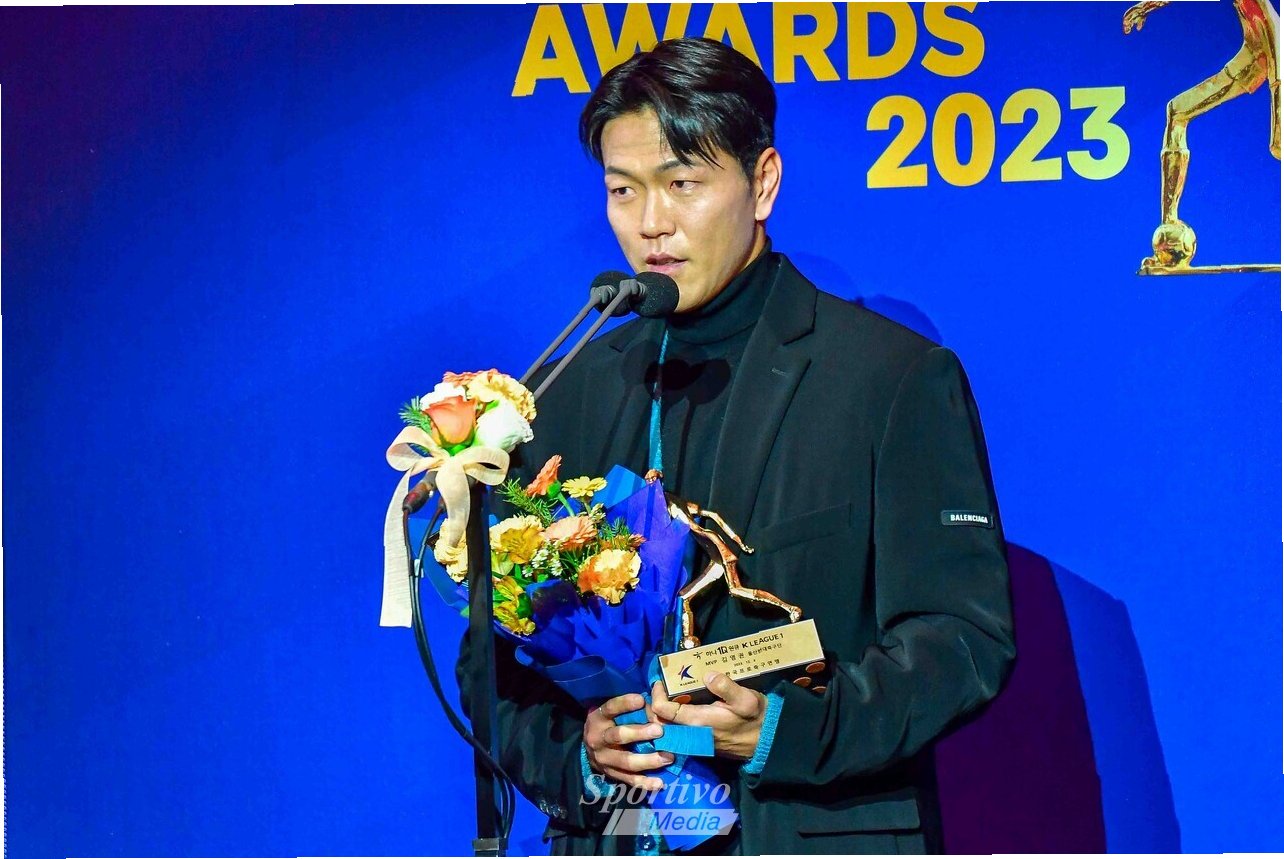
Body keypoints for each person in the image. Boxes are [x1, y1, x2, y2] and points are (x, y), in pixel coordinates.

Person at [458, 36, 1015, 855]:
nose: (651, 223)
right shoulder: (568, 392)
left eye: (682, 183)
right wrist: (579, 757)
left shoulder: (890, 377)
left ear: (763, 182)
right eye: (622, 190)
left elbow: (963, 639)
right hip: (619, 834)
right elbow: (492, 659)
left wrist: (786, 728)